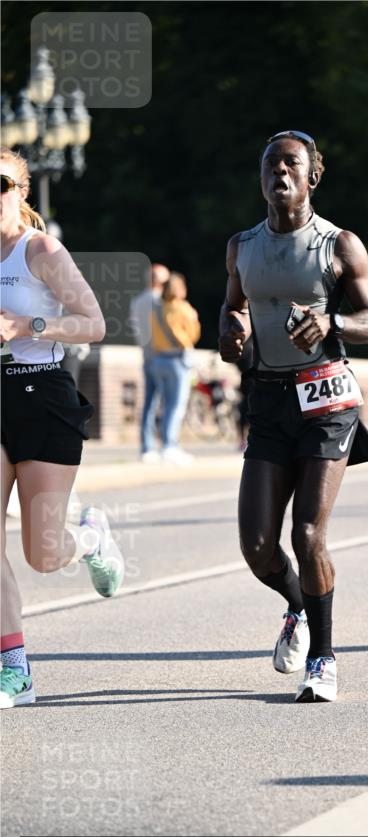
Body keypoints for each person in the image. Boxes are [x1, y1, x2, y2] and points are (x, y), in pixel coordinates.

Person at [219, 130, 368, 703]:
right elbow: (234, 306)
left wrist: (333, 326)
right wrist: (231, 332)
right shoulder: (242, 246)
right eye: (270, 164)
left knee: (309, 533)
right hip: (268, 400)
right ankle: (295, 605)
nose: (279, 173)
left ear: (312, 175)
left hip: (326, 401)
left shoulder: (339, 245)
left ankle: (323, 656)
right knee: (257, 547)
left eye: (291, 164)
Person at [0, 148, 124, 709]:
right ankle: (14, 672)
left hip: (41, 394)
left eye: (0, 184)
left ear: (21, 192)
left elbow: (94, 324)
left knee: (44, 555)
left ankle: (92, 535)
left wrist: (28, 323)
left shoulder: (41, 251)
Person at [150, 271, 201, 465]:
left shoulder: (157, 308)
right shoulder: (183, 308)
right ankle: (170, 446)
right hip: (178, 359)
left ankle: (163, 443)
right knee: (176, 405)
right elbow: (193, 335)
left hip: (159, 359)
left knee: (164, 404)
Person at [129, 262, 170, 463]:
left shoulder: (137, 301)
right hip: (163, 356)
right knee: (168, 404)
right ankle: (166, 445)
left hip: (146, 356)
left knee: (149, 403)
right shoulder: (159, 303)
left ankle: (147, 447)